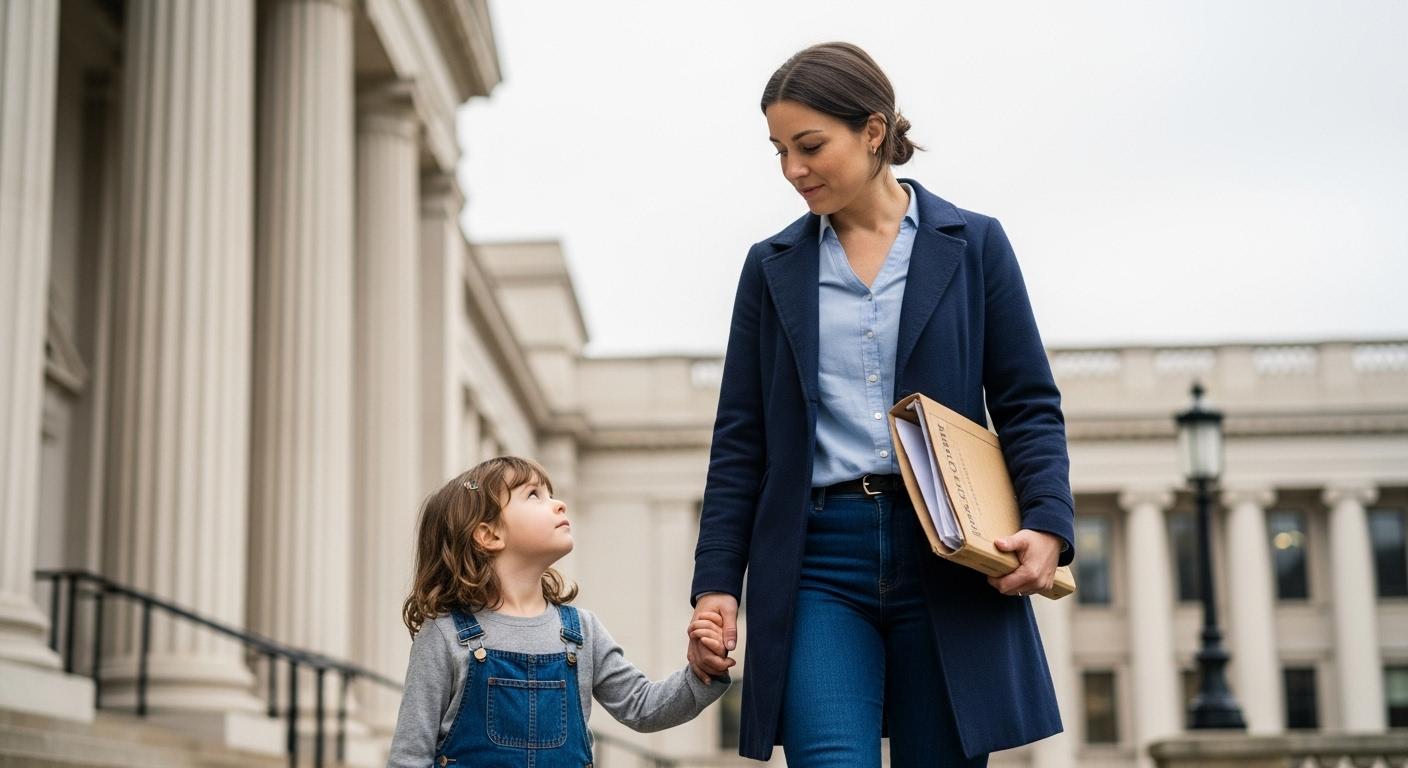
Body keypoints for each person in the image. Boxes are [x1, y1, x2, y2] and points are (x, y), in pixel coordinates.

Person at [685, 42, 1076, 767]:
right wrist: (716, 583)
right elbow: (741, 440)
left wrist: (1049, 524)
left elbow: (1026, 402)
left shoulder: (975, 245)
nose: (793, 170)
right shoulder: (770, 268)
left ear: (873, 131)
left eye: (809, 146)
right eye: (778, 151)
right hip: (815, 559)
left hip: (950, 556)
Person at [388, 455, 730, 768]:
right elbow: (409, 757)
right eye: (534, 495)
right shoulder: (444, 635)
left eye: (551, 494)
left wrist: (700, 672)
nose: (559, 504)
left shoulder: (581, 631)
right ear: (488, 534)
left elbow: (643, 707)